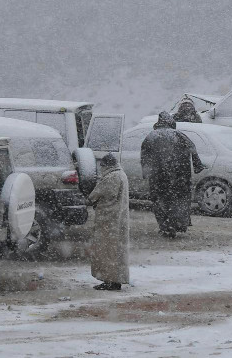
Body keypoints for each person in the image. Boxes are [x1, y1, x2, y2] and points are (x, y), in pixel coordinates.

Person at [140, 112, 205, 237]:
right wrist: (197, 166)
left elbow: (144, 155)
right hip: (180, 176)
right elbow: (192, 148)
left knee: (160, 201)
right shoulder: (180, 135)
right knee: (178, 200)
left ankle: (165, 225)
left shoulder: (151, 136)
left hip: (158, 177)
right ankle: (177, 224)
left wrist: (146, 172)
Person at [87, 152, 130, 290]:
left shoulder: (111, 177)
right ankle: (115, 279)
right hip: (119, 220)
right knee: (117, 251)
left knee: (107, 251)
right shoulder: (122, 175)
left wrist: (90, 198)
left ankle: (110, 280)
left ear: (105, 166)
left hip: (109, 221)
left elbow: (95, 195)